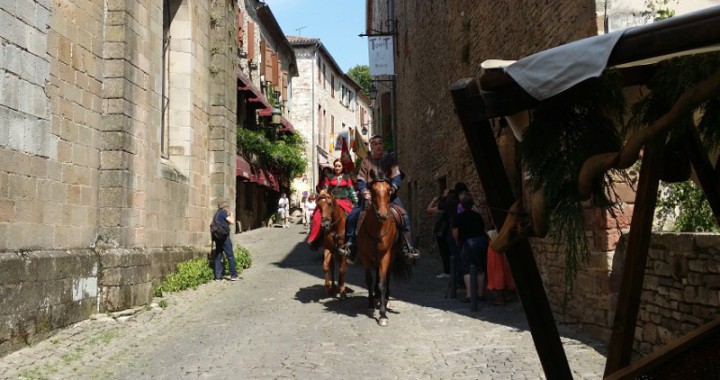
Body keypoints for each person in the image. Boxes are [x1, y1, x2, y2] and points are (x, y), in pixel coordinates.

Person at [340, 134, 420, 260]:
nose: (378, 145)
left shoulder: (390, 161)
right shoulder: (366, 162)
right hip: (369, 197)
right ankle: (350, 244)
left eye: (380, 143)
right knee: (351, 217)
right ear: (371, 146)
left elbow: (396, 177)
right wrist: (364, 191)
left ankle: (408, 246)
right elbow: (360, 180)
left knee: (404, 216)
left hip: (389, 196)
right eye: (375, 143)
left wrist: (393, 188)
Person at [307, 159, 357, 246]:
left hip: (345, 201)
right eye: (336, 166)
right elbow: (326, 188)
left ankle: (353, 238)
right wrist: (323, 191)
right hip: (331, 201)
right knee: (317, 216)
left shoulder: (347, 177)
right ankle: (316, 239)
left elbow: (351, 190)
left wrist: (356, 201)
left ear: (342, 167)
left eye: (339, 166)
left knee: (353, 217)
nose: (337, 168)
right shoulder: (329, 177)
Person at [451, 191, 488, 302]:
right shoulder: (477, 216)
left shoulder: (459, 217)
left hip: (469, 243)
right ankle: (480, 293)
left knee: (467, 268)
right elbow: (483, 228)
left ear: (461, 205)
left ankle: (469, 294)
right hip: (481, 241)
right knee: (480, 268)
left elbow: (455, 232)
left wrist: (457, 241)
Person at [427, 189, 453, 278]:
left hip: (442, 232)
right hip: (449, 231)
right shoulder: (452, 205)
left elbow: (429, 210)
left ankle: (447, 271)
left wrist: (434, 200)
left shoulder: (443, 206)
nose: (442, 194)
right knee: (449, 252)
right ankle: (450, 270)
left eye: (444, 193)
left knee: (444, 252)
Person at [486, 229, 516, 305]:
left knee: (497, 272)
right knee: (503, 271)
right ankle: (504, 296)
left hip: (496, 247)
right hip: (499, 246)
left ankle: (500, 298)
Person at [211, 201, 239, 281]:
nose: (229, 209)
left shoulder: (216, 214)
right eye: (228, 207)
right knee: (230, 256)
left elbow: (225, 223)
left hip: (217, 237)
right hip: (224, 237)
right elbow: (232, 222)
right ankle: (233, 275)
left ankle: (218, 276)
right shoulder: (223, 213)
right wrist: (232, 215)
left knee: (218, 256)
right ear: (225, 207)